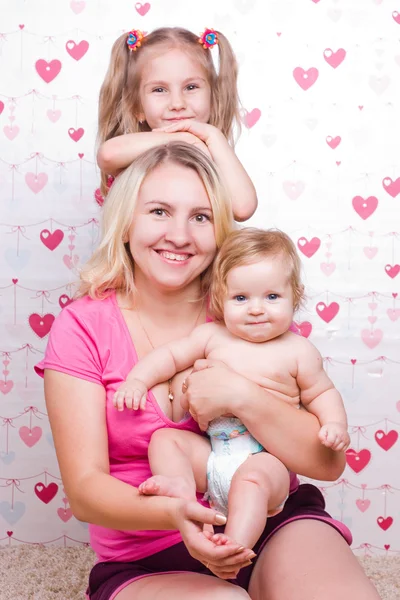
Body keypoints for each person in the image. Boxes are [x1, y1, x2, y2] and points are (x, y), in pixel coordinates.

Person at [36, 143, 380, 599]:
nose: (179, 235)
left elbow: (328, 463)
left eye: (200, 217)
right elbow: (84, 491)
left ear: (220, 230)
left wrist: (242, 396)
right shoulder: (83, 325)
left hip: (271, 523)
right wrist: (175, 513)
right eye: (159, 211)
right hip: (145, 555)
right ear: (126, 222)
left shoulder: (247, 310)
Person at [113, 228, 350, 552]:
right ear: (220, 300)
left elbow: (322, 394)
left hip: (266, 460)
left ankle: (233, 547)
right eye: (241, 298)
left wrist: (335, 425)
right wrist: (137, 380)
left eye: (271, 297)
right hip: (213, 456)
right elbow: (170, 356)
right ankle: (180, 492)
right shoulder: (213, 336)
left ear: (295, 295)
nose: (256, 309)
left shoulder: (298, 350)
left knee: (252, 481)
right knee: (165, 440)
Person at [95, 26, 257, 222]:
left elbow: (243, 208)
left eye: (191, 87)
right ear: (137, 106)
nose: (177, 104)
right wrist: (184, 138)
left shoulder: (215, 153)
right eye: (159, 90)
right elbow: (108, 154)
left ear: (214, 98)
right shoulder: (134, 155)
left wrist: (214, 136)